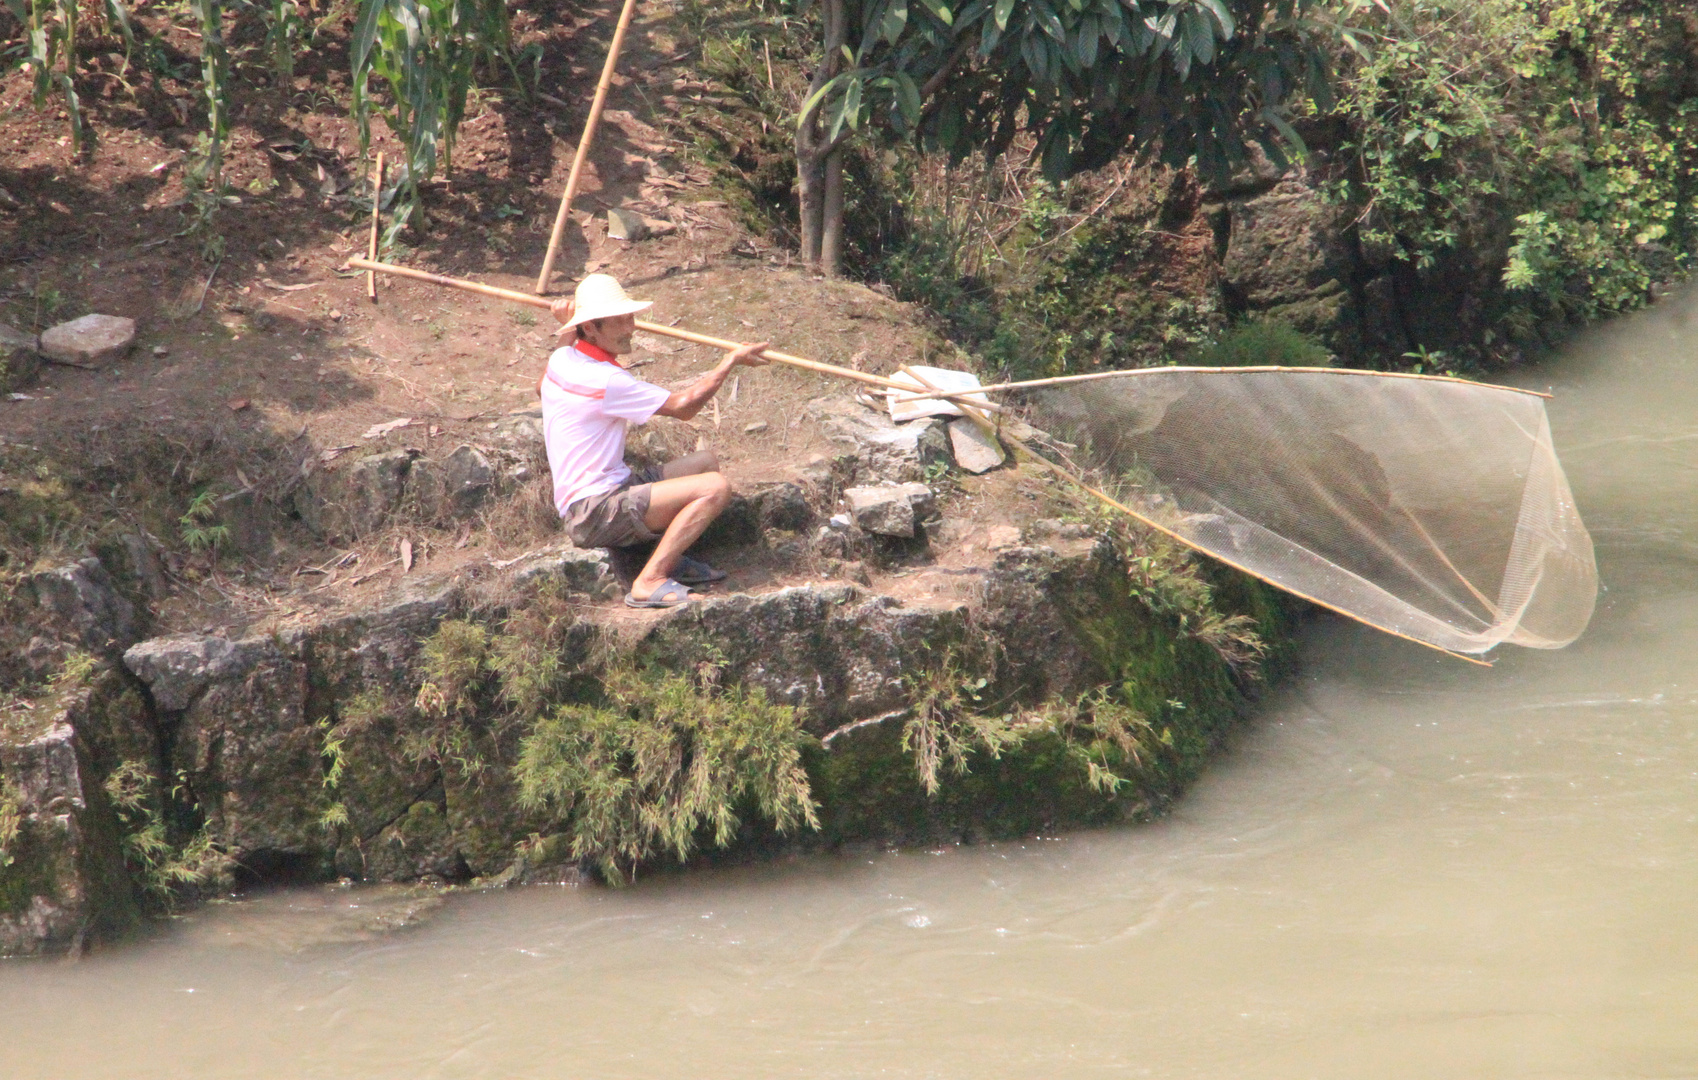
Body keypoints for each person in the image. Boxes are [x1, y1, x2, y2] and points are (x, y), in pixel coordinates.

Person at [541, 273, 769, 608]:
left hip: (609, 490)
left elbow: (540, 386)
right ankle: (649, 581)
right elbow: (683, 407)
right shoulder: (608, 380)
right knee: (714, 487)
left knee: (704, 463)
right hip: (593, 511)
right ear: (590, 328)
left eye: (630, 317)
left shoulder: (562, 358)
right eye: (619, 321)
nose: (630, 328)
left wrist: (566, 328)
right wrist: (730, 361)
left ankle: (666, 556)